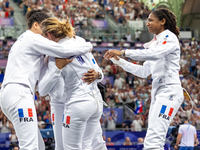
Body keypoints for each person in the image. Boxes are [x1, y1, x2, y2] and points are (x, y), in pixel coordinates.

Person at [0, 10, 92, 150]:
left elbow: (44, 82)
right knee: (30, 147)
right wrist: (87, 46)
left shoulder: (26, 42)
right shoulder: (32, 37)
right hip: (19, 93)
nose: (46, 32)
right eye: (44, 27)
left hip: (11, 94)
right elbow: (62, 51)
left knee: (39, 146)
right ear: (36, 25)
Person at [104, 8, 184, 150]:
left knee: (154, 140)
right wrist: (119, 61)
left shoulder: (169, 37)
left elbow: (153, 54)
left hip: (169, 92)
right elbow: (143, 71)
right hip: (159, 93)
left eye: (151, 20)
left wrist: (123, 52)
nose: (147, 23)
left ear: (162, 21)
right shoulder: (155, 43)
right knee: (150, 141)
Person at [38, 18, 106, 150]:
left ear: (49, 35)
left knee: (67, 147)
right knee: (89, 145)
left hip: (76, 103)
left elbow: (53, 93)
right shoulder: (80, 42)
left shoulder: (55, 52)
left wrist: (56, 70)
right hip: (95, 101)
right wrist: (98, 75)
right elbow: (98, 71)